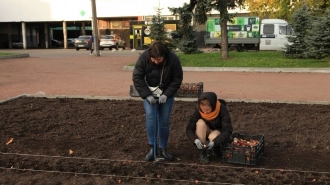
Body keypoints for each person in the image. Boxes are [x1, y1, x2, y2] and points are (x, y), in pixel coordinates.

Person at [132, 41, 183, 162]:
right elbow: (137, 77)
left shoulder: (173, 59)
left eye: (159, 59)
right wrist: (147, 95)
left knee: (164, 121)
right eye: (153, 59)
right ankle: (152, 148)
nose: (156, 61)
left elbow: (177, 79)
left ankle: (163, 148)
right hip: (150, 93)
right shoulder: (144, 58)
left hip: (166, 94)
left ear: (164, 56)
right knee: (151, 118)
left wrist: (167, 94)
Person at [186, 92, 233, 163]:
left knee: (212, 136)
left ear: (213, 106)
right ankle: (202, 151)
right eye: (203, 110)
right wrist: (195, 140)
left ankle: (215, 147)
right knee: (200, 123)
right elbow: (189, 128)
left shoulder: (222, 109)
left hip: (218, 131)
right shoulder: (199, 110)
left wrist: (215, 142)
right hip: (206, 130)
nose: (205, 112)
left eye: (207, 110)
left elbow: (228, 130)